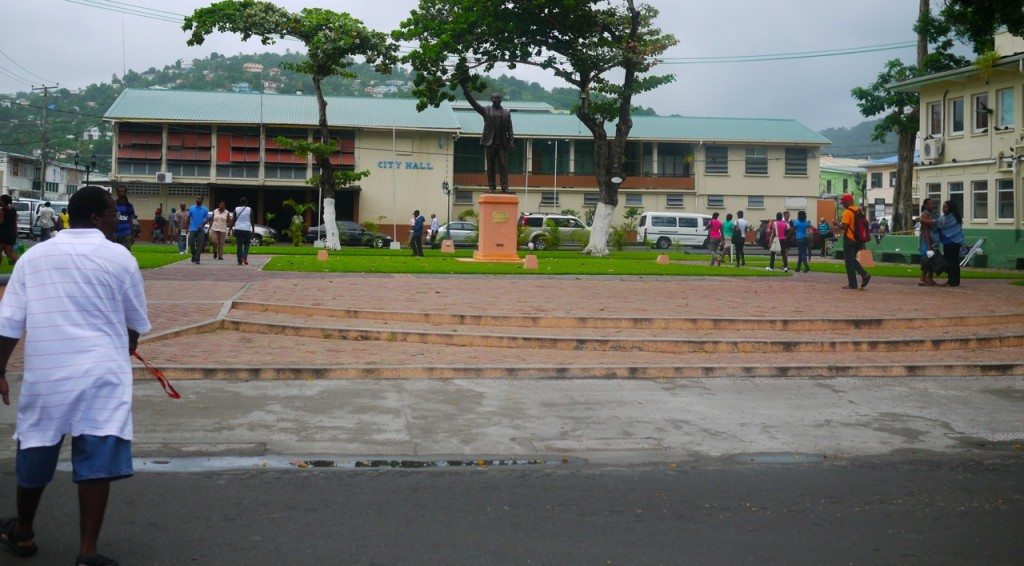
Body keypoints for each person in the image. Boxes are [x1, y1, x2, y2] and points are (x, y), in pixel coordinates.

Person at [0, 185, 150, 566]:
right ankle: (87, 552)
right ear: (96, 217)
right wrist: (124, 348)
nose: (117, 219)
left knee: (35, 445)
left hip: (48, 374)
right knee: (97, 456)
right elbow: (134, 324)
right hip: (102, 374)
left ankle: (24, 531)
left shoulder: (33, 258)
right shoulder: (120, 259)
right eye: (114, 213)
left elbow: (9, 325)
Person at [461, 87, 514, 193]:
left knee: (503, 165)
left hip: (502, 143)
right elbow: (475, 105)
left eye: (498, 98)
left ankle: (505, 187)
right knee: (490, 166)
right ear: (491, 99)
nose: (497, 100)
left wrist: (511, 141)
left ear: (501, 100)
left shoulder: (506, 113)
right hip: (490, 143)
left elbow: (510, 128)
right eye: (495, 98)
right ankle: (492, 186)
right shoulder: (486, 110)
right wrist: (466, 93)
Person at [839, 193, 871, 289]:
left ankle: (854, 282)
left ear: (848, 201)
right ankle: (863, 276)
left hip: (849, 239)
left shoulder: (847, 212)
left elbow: (844, 226)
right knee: (852, 260)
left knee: (849, 262)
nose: (843, 204)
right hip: (859, 240)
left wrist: (837, 224)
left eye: (843, 202)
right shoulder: (859, 210)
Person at [935, 200, 964, 287]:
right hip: (956, 242)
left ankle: (952, 281)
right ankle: (955, 281)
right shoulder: (955, 216)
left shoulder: (948, 218)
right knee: (954, 261)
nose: (943, 209)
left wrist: (923, 219)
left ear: (950, 208)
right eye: (943, 207)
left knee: (950, 262)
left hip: (950, 242)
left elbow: (937, 223)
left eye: (945, 207)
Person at [916, 198, 940, 287]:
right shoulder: (925, 215)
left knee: (932, 259)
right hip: (927, 241)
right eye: (930, 204)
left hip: (934, 239)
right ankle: (923, 278)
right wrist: (928, 244)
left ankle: (930, 278)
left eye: (933, 203)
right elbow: (926, 231)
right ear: (925, 205)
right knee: (926, 260)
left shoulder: (934, 214)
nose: (933, 205)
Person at [188, 196, 210, 264]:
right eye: (197, 198)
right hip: (193, 228)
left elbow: (208, 218)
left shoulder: (205, 209)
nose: (198, 199)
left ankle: (197, 259)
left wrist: (203, 224)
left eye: (199, 199)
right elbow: (188, 217)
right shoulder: (191, 208)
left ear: (202, 200)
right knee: (191, 243)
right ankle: (194, 255)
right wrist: (187, 227)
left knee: (199, 245)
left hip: (201, 229)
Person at [232, 197, 253, 266]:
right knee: (246, 244)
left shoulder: (236, 209)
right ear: (246, 202)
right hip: (247, 229)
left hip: (238, 228)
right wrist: (253, 228)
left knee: (239, 245)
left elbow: (234, 219)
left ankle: (239, 260)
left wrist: (232, 228)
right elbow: (252, 220)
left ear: (240, 202)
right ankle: (244, 258)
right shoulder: (249, 209)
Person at [0, 195, 20, 266]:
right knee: (9, 252)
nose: (0, 201)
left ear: (4, 201)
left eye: (1, 200)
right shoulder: (13, 210)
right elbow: (15, 223)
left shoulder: (2, 211)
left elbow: (1, 222)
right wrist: (16, 233)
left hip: (3, 234)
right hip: (12, 233)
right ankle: (21, 264)